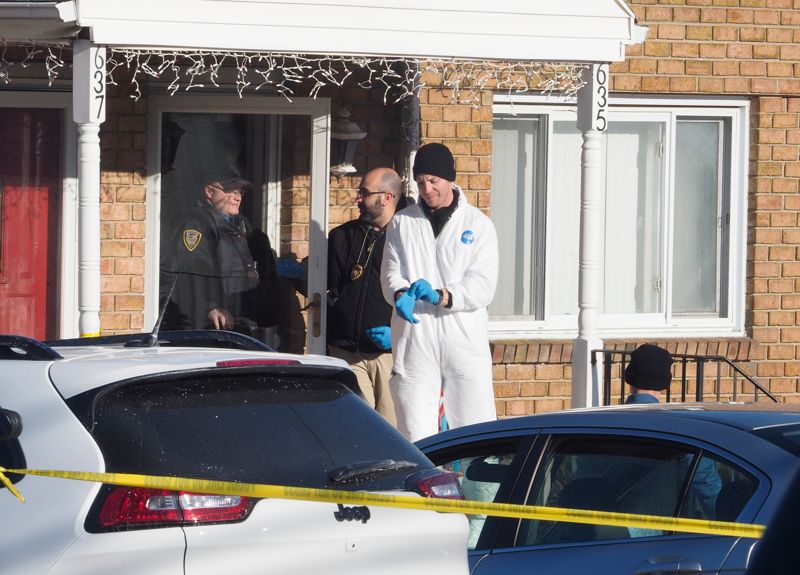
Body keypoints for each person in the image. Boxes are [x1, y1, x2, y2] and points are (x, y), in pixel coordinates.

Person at [381, 142, 499, 442]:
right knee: (414, 432)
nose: (427, 189)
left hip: (464, 339)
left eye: (433, 181)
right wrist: (400, 294)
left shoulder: (478, 225)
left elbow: (483, 284)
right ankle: (425, 475)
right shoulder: (402, 222)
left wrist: (442, 296)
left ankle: (477, 475)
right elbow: (390, 272)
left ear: (449, 178)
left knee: (475, 430)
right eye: (421, 182)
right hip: (415, 337)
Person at [276, 168, 402, 425]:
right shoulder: (344, 236)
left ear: (387, 197)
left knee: (391, 429)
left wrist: (399, 334)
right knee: (357, 423)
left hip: (390, 356)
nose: (358, 198)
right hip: (346, 351)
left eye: (364, 193)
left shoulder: (406, 238)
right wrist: (299, 273)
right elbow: (320, 281)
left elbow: (423, 299)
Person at [160, 175, 276, 335]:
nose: (237, 197)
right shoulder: (197, 224)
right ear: (209, 191)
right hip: (208, 328)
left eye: (240, 192)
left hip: (238, 324)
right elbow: (190, 272)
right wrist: (209, 307)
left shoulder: (242, 226)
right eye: (230, 191)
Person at [624, 343, 722, 519]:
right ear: (664, 382)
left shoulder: (604, 424)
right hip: (664, 527)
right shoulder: (678, 429)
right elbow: (706, 483)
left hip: (602, 526)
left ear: (629, 377)